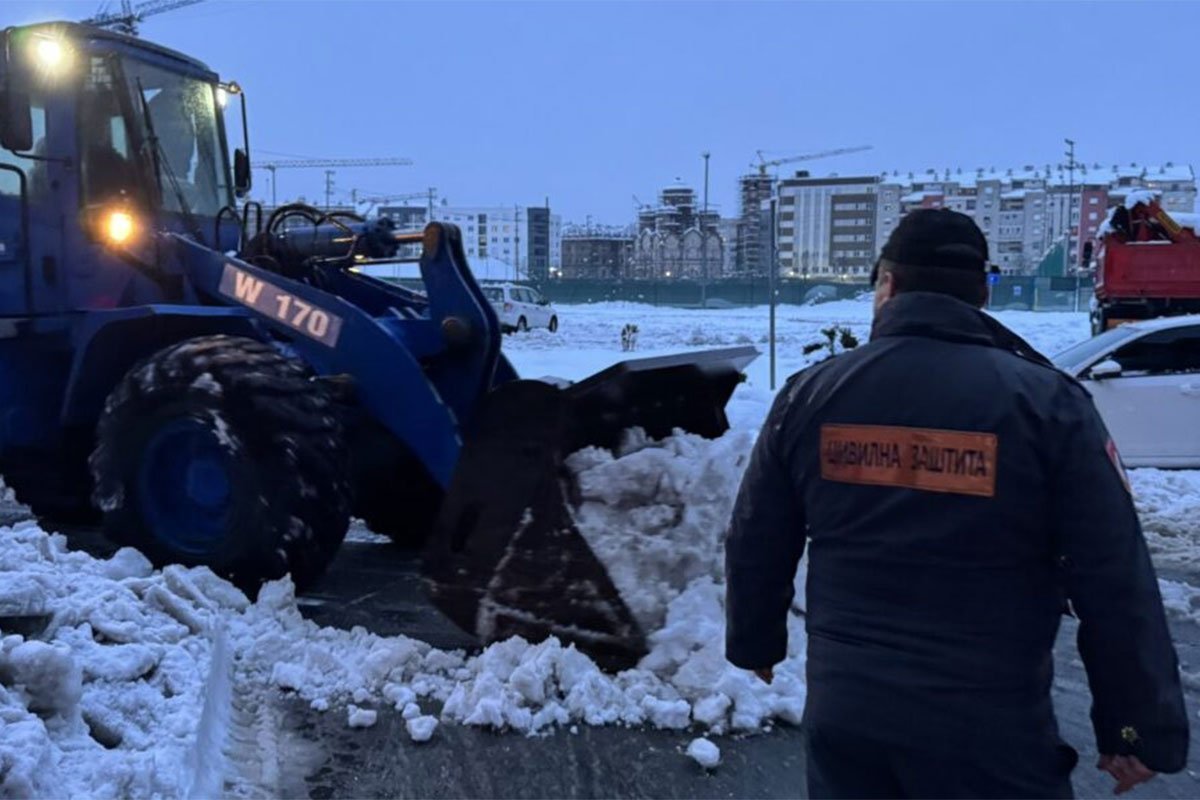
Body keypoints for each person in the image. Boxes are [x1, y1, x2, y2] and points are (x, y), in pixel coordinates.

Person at [724, 208, 1188, 799]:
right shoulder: (1048, 405)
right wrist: (1137, 724)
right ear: (983, 294)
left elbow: (755, 535)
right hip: (992, 733)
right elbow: (1113, 574)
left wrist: (756, 641)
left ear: (886, 286)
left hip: (847, 720)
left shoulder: (811, 395)